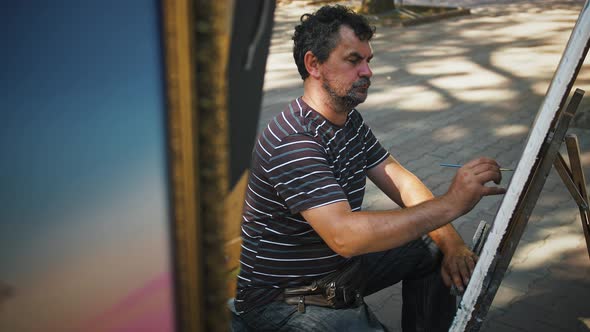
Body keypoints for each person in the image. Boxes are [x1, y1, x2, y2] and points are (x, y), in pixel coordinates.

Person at [230, 4, 505, 331]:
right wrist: (451, 204)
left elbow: (400, 181)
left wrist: (453, 243)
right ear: (313, 64)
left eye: (368, 60)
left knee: (433, 246)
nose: (367, 71)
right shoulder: (294, 141)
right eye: (353, 60)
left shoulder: (348, 122)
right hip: (283, 299)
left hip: (337, 272)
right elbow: (345, 236)